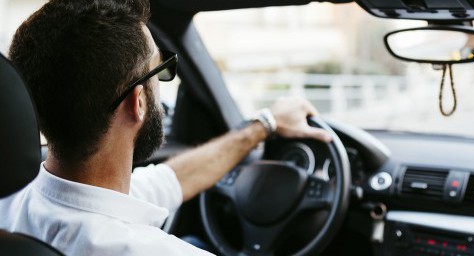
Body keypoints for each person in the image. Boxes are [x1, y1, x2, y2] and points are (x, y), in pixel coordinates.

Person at [0, 0, 332, 255]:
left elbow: (169, 180)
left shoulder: (13, 200)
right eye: (159, 69)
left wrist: (264, 125)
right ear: (138, 102)